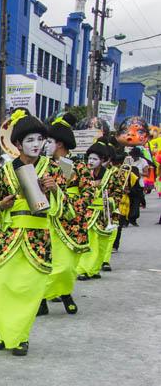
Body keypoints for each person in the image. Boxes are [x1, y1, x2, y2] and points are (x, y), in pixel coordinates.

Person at [0, 110, 62, 356]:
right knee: (4, 287)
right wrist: (2, 205)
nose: (35, 144)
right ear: (18, 143)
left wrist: (54, 191)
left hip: (38, 238)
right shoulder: (3, 171)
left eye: (39, 140)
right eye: (29, 140)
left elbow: (66, 211)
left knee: (30, 290)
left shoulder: (51, 169)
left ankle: (21, 336)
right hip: (9, 236)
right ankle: (2, 331)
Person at [40, 113, 93, 315]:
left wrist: (70, 205)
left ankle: (64, 292)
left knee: (67, 267)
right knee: (48, 264)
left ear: (60, 144)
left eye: (49, 141)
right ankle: (44, 298)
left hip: (71, 221)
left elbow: (88, 191)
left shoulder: (79, 166)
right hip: (48, 221)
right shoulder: (43, 166)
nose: (45, 145)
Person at [76, 139, 123, 280]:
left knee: (102, 244)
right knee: (88, 242)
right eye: (89, 158)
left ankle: (95, 269)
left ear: (102, 160)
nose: (90, 161)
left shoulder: (112, 174)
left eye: (94, 159)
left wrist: (110, 202)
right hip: (88, 212)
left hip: (105, 212)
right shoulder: (83, 172)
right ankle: (83, 270)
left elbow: (118, 192)